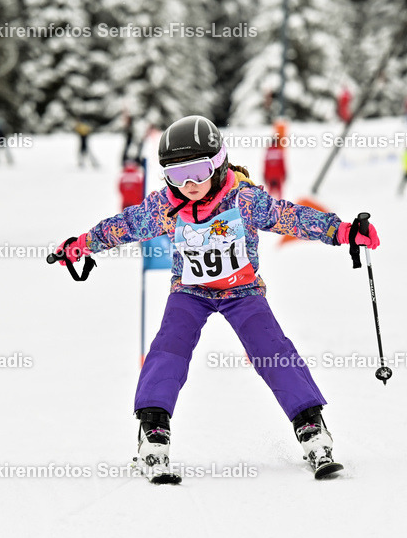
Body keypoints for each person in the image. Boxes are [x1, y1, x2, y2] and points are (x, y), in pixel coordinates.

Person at [52, 115, 380, 483]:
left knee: (270, 347)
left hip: (242, 290)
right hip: (190, 291)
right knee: (169, 347)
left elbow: (291, 217)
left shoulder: (244, 199)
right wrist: (83, 244)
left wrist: (343, 231)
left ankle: (310, 426)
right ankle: (153, 429)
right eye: (177, 174)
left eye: (198, 171)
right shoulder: (165, 206)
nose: (189, 184)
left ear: (219, 164)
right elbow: (125, 225)